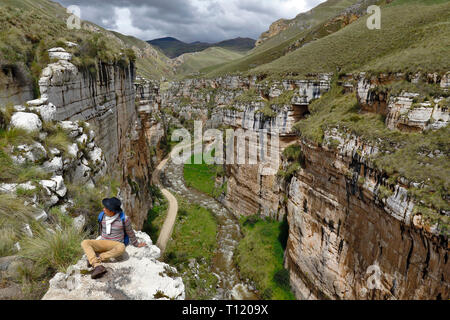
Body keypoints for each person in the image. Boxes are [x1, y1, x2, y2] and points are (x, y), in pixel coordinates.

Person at [81, 197, 146, 279]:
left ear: (112, 211)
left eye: (106, 208)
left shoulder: (124, 219)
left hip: (116, 243)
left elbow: (130, 232)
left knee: (121, 248)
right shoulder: (102, 216)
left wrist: (136, 243)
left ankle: (99, 258)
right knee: (85, 242)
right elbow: (100, 229)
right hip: (103, 241)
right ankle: (97, 265)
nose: (103, 209)